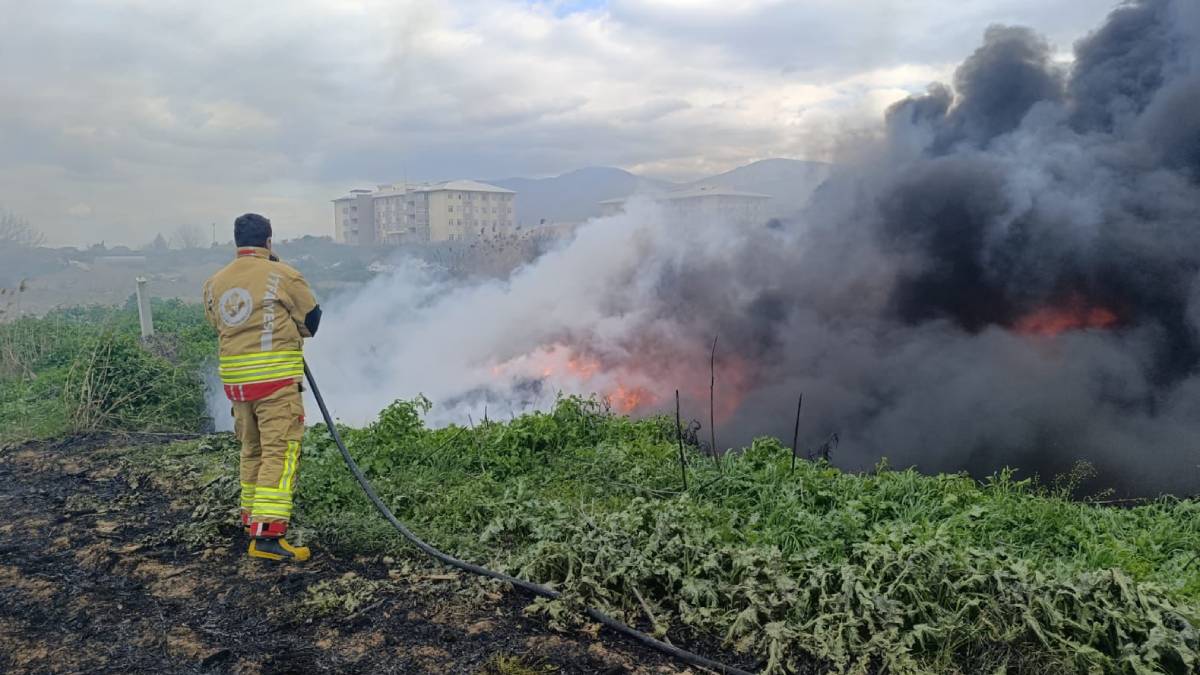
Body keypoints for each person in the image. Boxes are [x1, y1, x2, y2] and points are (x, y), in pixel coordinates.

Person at [202, 213, 322, 562]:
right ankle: (268, 536)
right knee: (280, 453)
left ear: (237, 242)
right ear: (269, 242)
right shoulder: (283, 275)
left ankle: (251, 519)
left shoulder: (215, 282)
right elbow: (311, 321)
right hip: (275, 384)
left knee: (251, 449)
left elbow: (217, 323)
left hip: (237, 385)